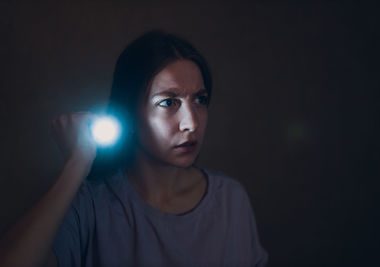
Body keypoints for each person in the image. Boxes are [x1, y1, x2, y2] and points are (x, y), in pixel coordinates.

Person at [0, 30, 268, 267]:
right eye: (168, 103)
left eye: (200, 99)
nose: (192, 123)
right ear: (129, 111)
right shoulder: (88, 205)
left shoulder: (230, 199)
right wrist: (76, 164)